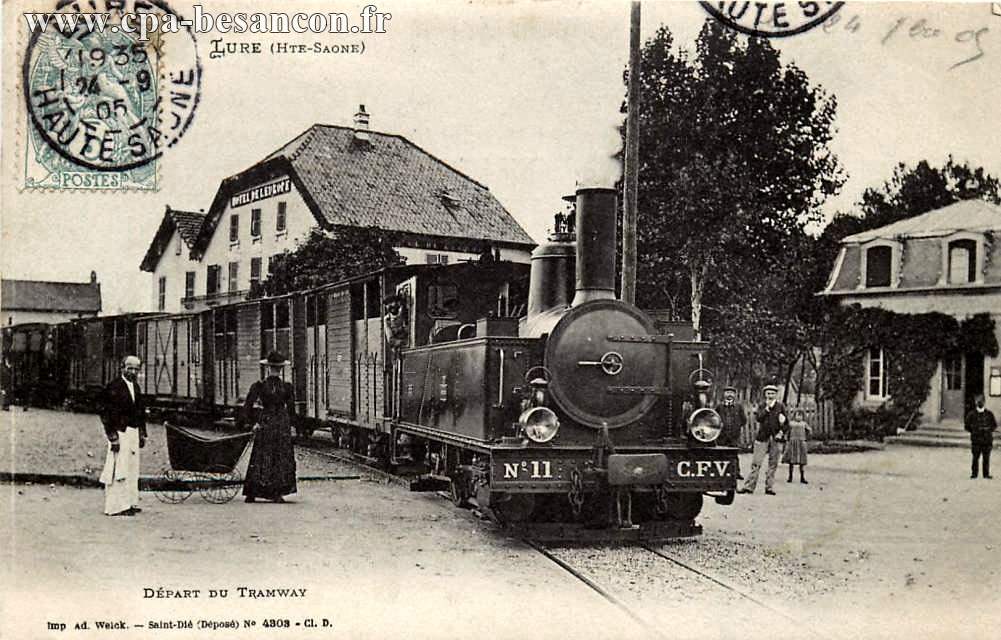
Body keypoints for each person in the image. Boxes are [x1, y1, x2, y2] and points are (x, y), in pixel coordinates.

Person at [241, 351, 297, 503]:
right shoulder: (287, 387)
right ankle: (277, 493)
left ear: (267, 368)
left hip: (265, 422)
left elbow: (247, 406)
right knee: (279, 457)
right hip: (281, 423)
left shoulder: (259, 386)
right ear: (281, 369)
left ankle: (252, 492)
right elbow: (291, 409)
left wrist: (253, 422)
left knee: (261, 456)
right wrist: (292, 426)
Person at [98, 355, 147, 516]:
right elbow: (105, 413)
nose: (133, 371)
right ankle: (116, 506)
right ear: (122, 368)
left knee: (132, 469)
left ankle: (130, 502)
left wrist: (141, 433)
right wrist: (112, 436)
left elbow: (139, 413)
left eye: (136, 369)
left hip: (133, 432)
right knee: (118, 469)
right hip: (120, 432)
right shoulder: (114, 386)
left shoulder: (136, 387)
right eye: (129, 368)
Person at [737, 385, 788, 496]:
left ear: (776, 394)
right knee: (756, 463)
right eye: (768, 393)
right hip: (762, 437)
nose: (770, 395)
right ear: (765, 394)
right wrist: (767, 409)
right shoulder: (762, 405)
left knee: (773, 463)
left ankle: (769, 487)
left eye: (772, 393)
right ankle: (749, 487)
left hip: (776, 438)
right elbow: (759, 418)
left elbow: (786, 423)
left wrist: (781, 432)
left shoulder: (780, 406)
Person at [716, 385, 747, 480]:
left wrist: (736, 427)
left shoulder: (738, 407)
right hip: (722, 435)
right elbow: (715, 418)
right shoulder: (720, 407)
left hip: (734, 435)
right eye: (727, 392)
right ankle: (721, 472)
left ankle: (736, 472)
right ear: (724, 394)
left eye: (731, 393)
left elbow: (743, 420)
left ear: (735, 395)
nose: (729, 395)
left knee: (734, 454)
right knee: (721, 453)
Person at [965, 394, 997, 479]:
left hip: (987, 440)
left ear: (984, 402)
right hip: (976, 440)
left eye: (981, 401)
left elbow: (994, 425)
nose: (980, 402)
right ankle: (974, 474)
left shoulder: (989, 414)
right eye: (978, 401)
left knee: (986, 458)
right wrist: (974, 431)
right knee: (975, 457)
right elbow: (967, 426)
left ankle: (986, 474)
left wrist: (987, 430)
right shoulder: (971, 414)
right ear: (975, 402)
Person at [783, 408, 811, 484]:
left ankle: (802, 477)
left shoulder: (804, 424)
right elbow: (787, 432)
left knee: (802, 461)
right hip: (793, 443)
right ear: (794, 416)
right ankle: (790, 477)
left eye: (800, 415)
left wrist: (806, 438)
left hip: (801, 443)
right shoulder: (791, 423)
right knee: (791, 461)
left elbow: (809, 430)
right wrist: (787, 439)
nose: (799, 417)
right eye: (797, 415)